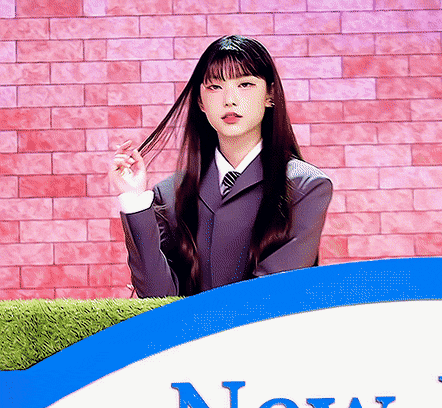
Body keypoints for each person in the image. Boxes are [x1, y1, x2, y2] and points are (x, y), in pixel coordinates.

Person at [109, 35, 332, 297]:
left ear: (269, 94)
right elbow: (157, 298)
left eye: (245, 84)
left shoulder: (305, 187)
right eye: (215, 87)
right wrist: (135, 202)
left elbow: (271, 296)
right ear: (200, 102)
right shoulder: (169, 195)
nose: (229, 100)